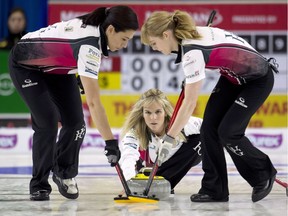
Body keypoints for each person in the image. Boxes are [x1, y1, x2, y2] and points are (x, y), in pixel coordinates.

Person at [140, 10, 278, 203]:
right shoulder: (190, 34)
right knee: (208, 130)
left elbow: (189, 104)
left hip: (257, 80)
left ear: (166, 35)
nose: (154, 48)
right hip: (232, 78)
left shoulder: (192, 52)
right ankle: (215, 190)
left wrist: (170, 137)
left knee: (228, 132)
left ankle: (263, 174)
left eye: (153, 43)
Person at [8, 5, 138, 201]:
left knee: (76, 124)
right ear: (110, 29)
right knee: (48, 122)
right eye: (124, 39)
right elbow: (94, 103)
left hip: (57, 70)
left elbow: (66, 46)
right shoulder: (90, 46)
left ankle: (64, 173)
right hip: (26, 65)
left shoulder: (97, 33)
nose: (125, 45)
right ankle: (39, 184)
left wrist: (77, 70)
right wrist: (111, 142)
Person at [119, 88, 202, 194]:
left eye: (158, 112)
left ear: (165, 112)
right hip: (150, 166)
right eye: (148, 112)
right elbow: (128, 156)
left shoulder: (182, 123)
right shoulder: (135, 131)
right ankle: (155, 182)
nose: (153, 118)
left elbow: (211, 129)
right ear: (142, 114)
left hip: (185, 157)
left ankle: (165, 182)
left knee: (201, 139)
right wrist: (128, 184)